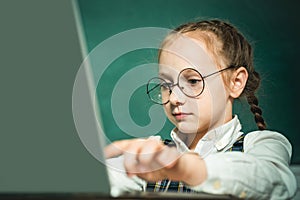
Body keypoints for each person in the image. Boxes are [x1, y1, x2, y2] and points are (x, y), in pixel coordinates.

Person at [104, 19, 297, 199]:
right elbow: (103, 180)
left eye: (193, 81)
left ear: (236, 82)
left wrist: (187, 168)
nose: (174, 98)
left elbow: (273, 180)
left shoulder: (263, 144)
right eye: (166, 85)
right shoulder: (154, 154)